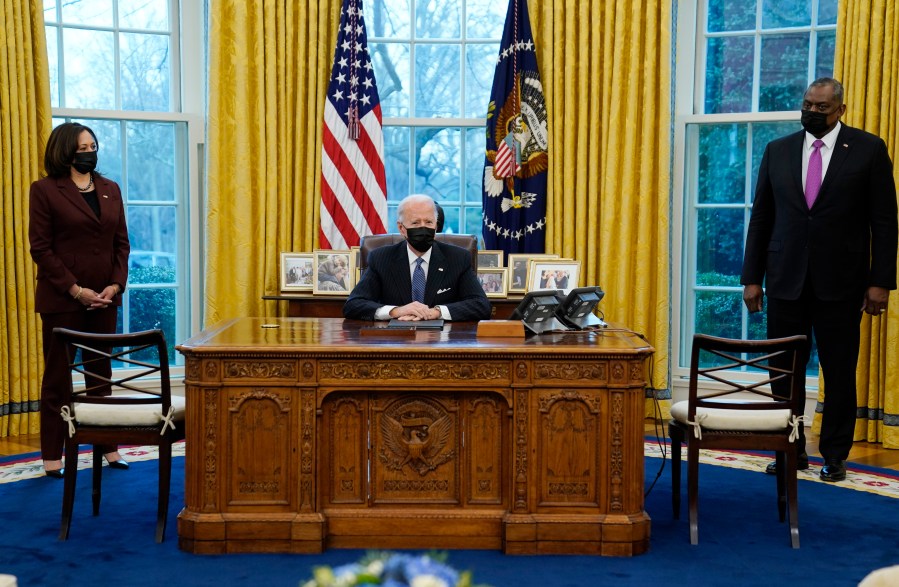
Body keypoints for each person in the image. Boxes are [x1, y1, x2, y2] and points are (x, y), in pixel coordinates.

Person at [741, 78, 898, 483]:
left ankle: (834, 454)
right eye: (807, 104)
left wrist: (880, 282)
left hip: (842, 283)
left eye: (821, 107)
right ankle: (789, 450)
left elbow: (884, 222)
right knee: (784, 371)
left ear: (840, 110)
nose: (811, 111)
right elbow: (761, 218)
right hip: (785, 280)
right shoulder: (778, 150)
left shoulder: (868, 149)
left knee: (840, 370)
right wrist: (751, 278)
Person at [29, 122, 131, 478]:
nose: (90, 151)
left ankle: (108, 448)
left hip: (104, 299)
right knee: (58, 379)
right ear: (65, 152)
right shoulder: (44, 190)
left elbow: (121, 243)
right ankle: (51, 456)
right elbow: (40, 248)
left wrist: (115, 287)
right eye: (82, 147)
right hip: (63, 300)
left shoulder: (110, 188)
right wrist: (75, 289)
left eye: (93, 145)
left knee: (100, 376)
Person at [343, 194, 491, 321]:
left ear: (436, 225)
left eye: (428, 222)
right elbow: (353, 305)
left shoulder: (458, 258)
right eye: (415, 222)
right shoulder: (381, 258)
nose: (423, 228)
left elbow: (481, 305)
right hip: (395, 340)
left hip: (442, 342)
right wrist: (396, 311)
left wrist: (436, 312)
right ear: (401, 228)